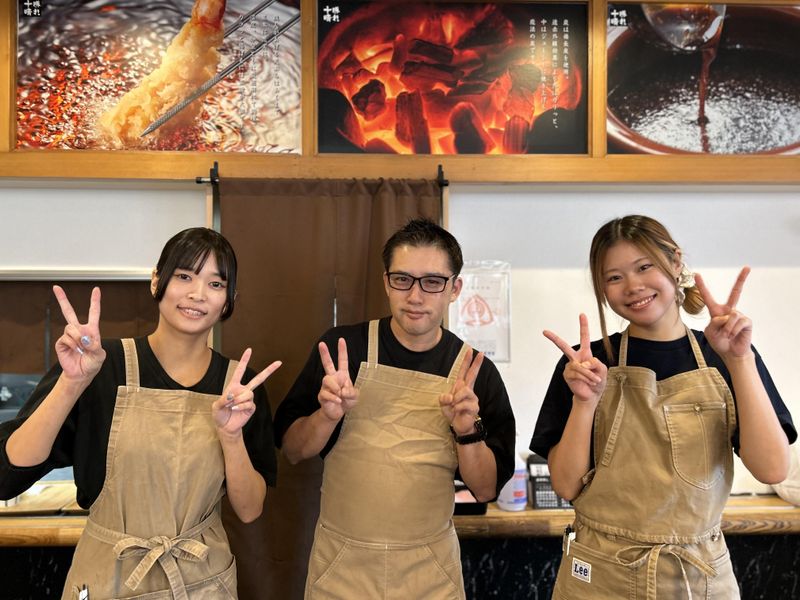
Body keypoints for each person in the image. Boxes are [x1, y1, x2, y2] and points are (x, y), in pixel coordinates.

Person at [0, 227, 281, 599]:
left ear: (229, 301)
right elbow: (9, 473)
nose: (198, 294)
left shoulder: (241, 389)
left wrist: (231, 436)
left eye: (215, 284)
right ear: (156, 281)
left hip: (202, 582)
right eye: (184, 276)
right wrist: (72, 382)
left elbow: (250, 509)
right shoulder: (100, 367)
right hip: (109, 577)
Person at [531, 215, 796, 599]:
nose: (633, 286)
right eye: (614, 277)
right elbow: (566, 484)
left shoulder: (725, 354)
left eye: (644, 267)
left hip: (697, 575)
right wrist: (585, 403)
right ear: (603, 289)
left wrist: (739, 360)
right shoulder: (585, 366)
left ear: (675, 262)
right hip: (601, 572)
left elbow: (772, 468)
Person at [274, 218, 516, 599]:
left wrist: (467, 431)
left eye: (432, 282)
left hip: (430, 573)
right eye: (403, 279)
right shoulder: (344, 350)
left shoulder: (474, 373)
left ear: (454, 289)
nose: (415, 296)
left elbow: (485, 488)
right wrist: (327, 416)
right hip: (342, 568)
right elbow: (291, 449)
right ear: (386, 282)